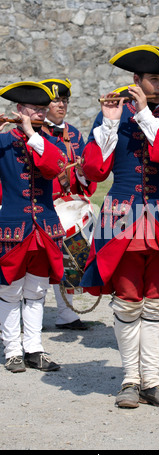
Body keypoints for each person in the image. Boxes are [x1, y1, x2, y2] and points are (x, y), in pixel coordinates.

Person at [80, 44, 159, 409]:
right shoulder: (109, 117)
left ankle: (154, 382)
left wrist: (145, 115)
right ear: (136, 80)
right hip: (121, 219)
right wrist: (111, 123)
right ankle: (131, 380)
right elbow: (96, 171)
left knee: (157, 302)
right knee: (129, 300)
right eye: (153, 79)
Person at [0, 80, 68, 373]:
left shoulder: (50, 141)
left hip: (45, 227)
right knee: (10, 290)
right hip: (13, 227)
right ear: (18, 109)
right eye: (32, 109)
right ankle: (13, 350)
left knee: (37, 290)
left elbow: (53, 168)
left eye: (42, 109)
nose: (39, 113)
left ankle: (34, 348)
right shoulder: (2, 142)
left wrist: (31, 133)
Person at [40, 78, 97, 330]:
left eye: (64, 100)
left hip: (70, 208)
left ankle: (66, 314)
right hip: (43, 206)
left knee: (71, 259)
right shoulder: (35, 132)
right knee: (41, 263)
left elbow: (86, 174)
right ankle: (30, 315)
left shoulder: (73, 133)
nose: (61, 104)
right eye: (56, 100)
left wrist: (84, 173)